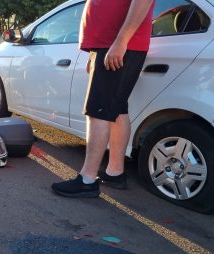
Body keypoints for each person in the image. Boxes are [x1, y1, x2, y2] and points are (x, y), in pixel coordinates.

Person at [52, 0, 155, 197]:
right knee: (116, 109)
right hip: (110, 44)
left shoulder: (121, 42)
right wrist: (94, 52)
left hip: (118, 43)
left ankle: (87, 180)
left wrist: (121, 41)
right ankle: (115, 172)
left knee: (98, 110)